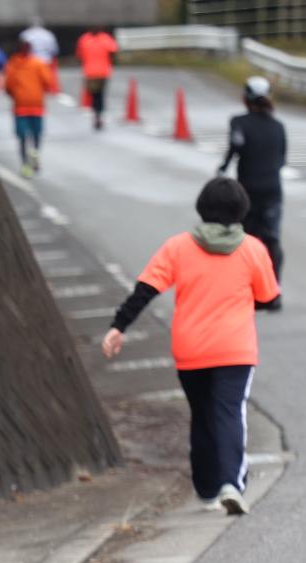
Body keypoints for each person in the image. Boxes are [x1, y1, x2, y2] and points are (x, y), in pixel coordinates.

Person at [102, 178, 280, 514]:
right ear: (241, 209)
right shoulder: (252, 248)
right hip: (234, 348)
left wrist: (118, 326)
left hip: (191, 349)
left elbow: (145, 289)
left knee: (202, 416)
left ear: (202, 208)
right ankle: (231, 482)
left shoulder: (178, 247)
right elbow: (269, 297)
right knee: (229, 412)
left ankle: (207, 488)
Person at [219, 78, 288, 289]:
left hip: (247, 191)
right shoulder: (278, 126)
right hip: (272, 190)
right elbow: (282, 159)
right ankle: (273, 290)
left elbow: (234, 148)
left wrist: (223, 168)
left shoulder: (238, 122)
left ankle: (246, 287)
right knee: (272, 239)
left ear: (245, 98)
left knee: (245, 240)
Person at [1, 40, 58, 177]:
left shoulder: (13, 64)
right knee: (36, 133)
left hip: (20, 106)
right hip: (37, 104)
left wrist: (15, 94)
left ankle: (25, 164)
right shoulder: (38, 63)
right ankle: (35, 153)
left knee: (22, 137)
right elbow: (48, 81)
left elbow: (8, 85)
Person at [74, 26, 119, 131]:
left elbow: (79, 55)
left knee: (95, 96)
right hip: (103, 71)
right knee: (100, 95)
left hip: (91, 72)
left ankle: (96, 115)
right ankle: (99, 114)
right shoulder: (105, 38)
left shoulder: (84, 39)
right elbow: (113, 51)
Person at [19, 16, 60, 85]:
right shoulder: (48, 35)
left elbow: (21, 50)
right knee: (46, 83)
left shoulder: (25, 34)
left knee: (32, 83)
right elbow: (54, 51)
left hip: (30, 62)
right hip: (46, 62)